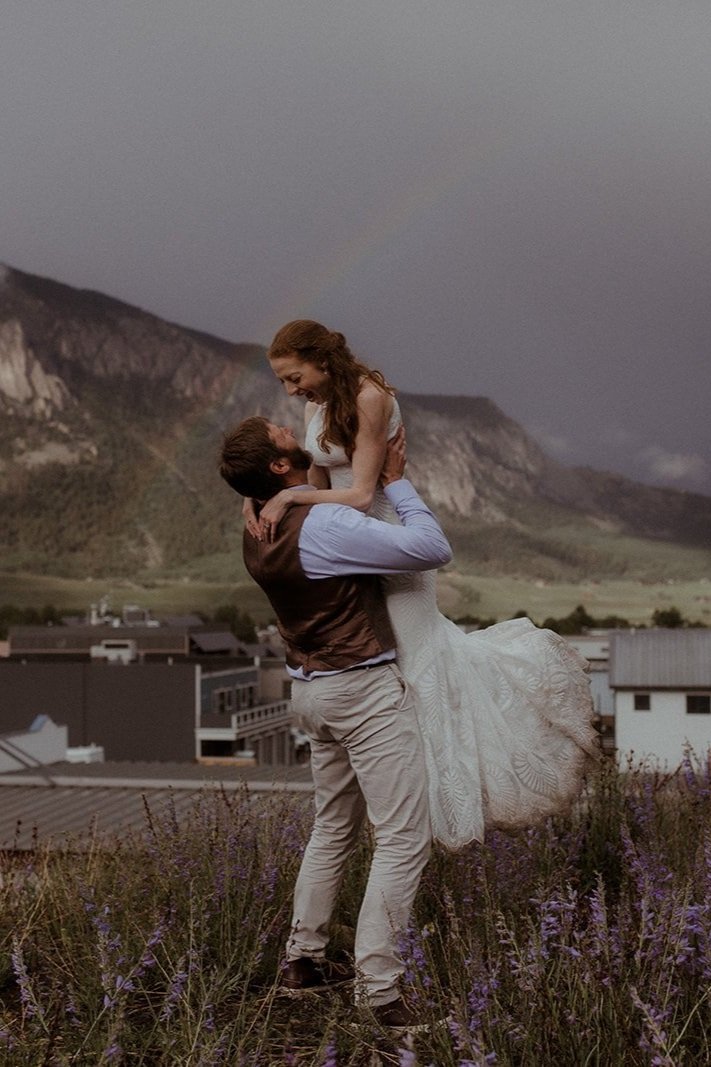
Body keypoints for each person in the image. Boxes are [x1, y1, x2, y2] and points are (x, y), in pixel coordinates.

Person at [246, 320, 600, 852]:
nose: (292, 391)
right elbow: (318, 482)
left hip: (390, 536)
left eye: (295, 377)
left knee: (417, 660)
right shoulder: (314, 406)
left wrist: (290, 501)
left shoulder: (370, 398)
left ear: (321, 359)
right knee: (373, 656)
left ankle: (433, 806)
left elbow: (363, 493)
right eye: (285, 383)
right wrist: (264, 497)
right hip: (347, 544)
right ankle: (390, 795)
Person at [219, 415, 452, 1030]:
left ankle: (303, 961)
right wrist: (397, 484)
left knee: (333, 828)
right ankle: (381, 993)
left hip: (310, 692)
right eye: (276, 432)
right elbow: (432, 549)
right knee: (403, 837)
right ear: (278, 465)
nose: (284, 422)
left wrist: (266, 490)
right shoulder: (326, 523)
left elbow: (289, 484)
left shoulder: (255, 525)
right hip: (362, 691)